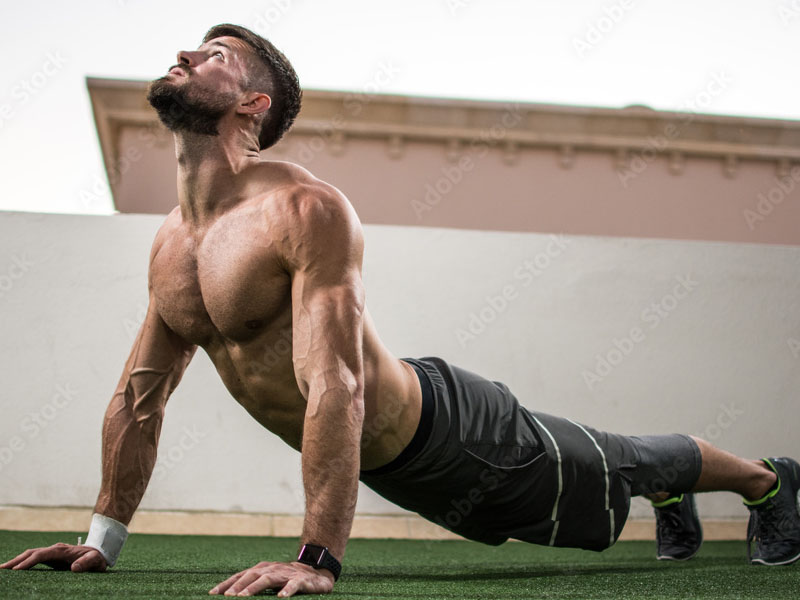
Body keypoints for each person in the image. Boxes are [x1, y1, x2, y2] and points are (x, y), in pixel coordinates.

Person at [2, 23, 799, 598]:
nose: (183, 53)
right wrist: (103, 539)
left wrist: (318, 557)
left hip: (455, 434)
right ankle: (669, 496)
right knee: (572, 506)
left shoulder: (305, 208)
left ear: (253, 102)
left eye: (213, 55)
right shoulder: (173, 247)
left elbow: (337, 385)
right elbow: (139, 398)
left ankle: (770, 484)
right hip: (386, 463)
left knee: (612, 464)